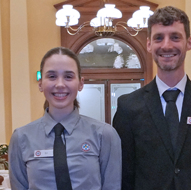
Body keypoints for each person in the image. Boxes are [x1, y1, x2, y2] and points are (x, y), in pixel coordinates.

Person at [112, 6, 191, 190]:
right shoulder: (128, 106)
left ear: (189, 42)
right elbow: (126, 172)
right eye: (159, 38)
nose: (167, 45)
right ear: (149, 44)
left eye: (175, 37)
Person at [9, 47, 122, 190]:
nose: (60, 84)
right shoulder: (21, 138)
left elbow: (112, 186)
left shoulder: (105, 135)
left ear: (81, 83)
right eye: (51, 76)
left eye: (68, 76)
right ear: (40, 84)